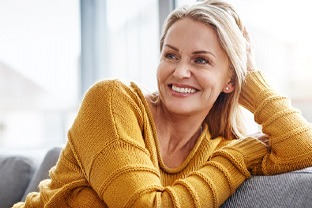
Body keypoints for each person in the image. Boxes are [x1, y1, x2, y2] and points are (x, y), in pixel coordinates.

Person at [14, 0, 312, 207]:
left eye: (201, 60)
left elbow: (304, 148)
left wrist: (251, 80)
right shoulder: (112, 102)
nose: (180, 71)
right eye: (170, 55)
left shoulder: (221, 147)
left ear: (230, 81)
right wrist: (234, 161)